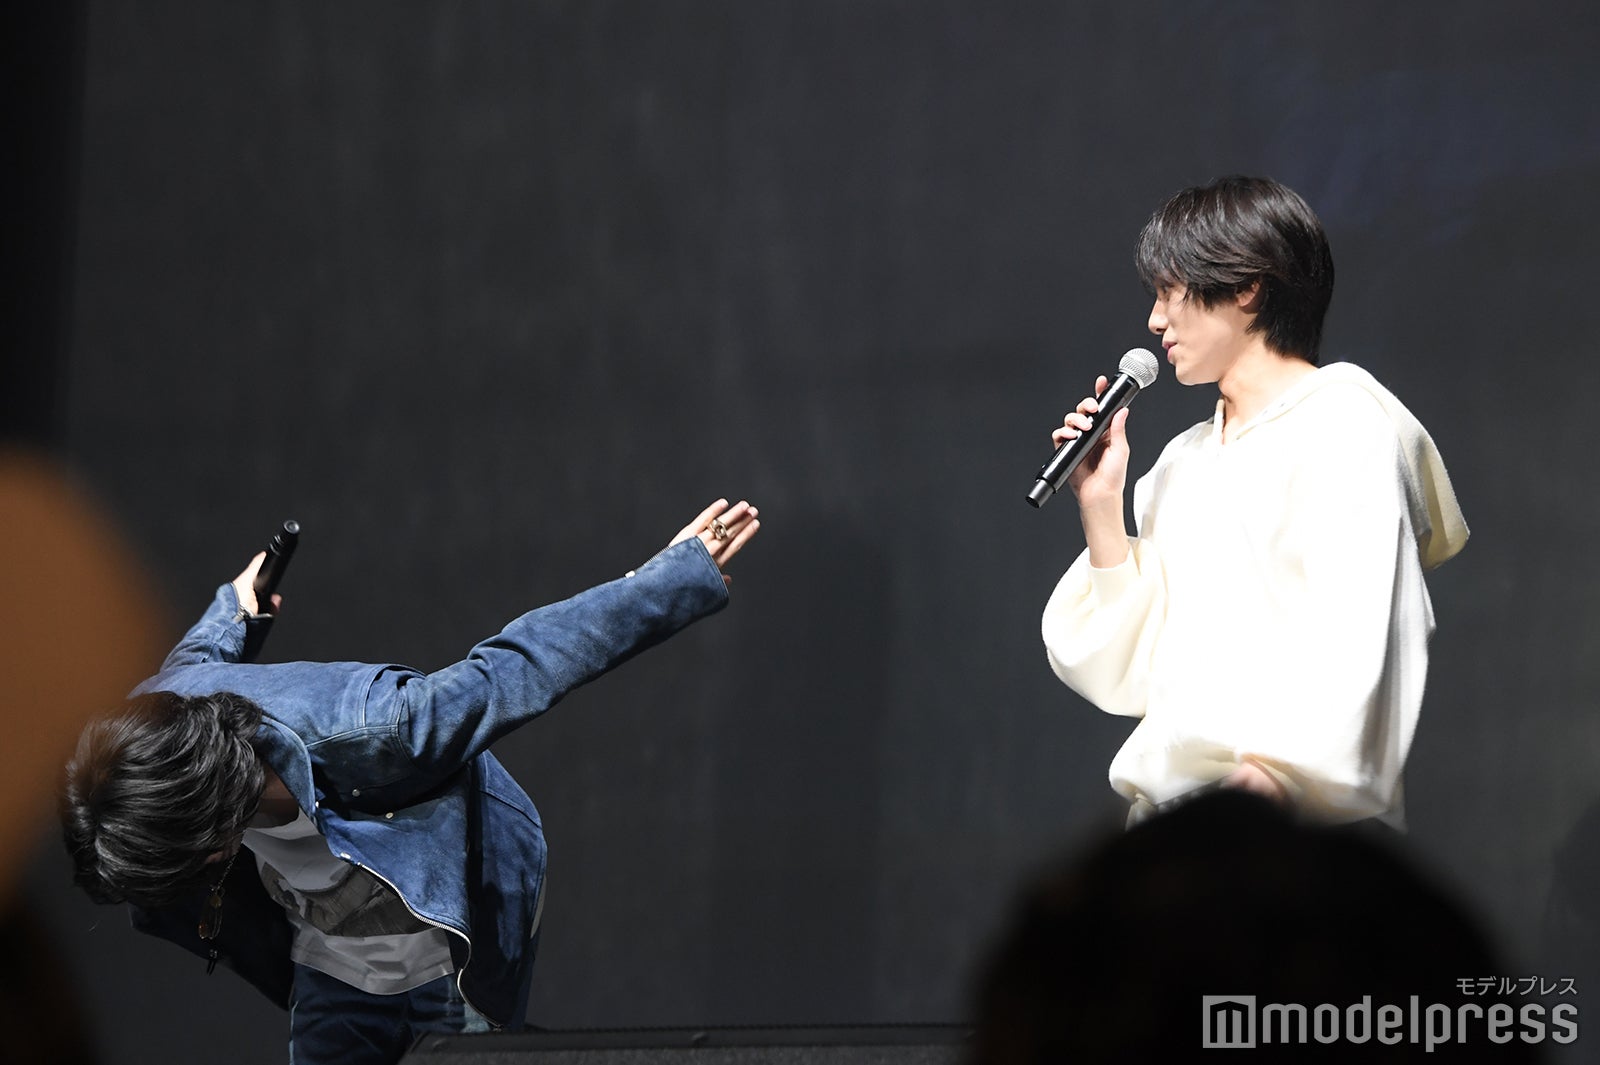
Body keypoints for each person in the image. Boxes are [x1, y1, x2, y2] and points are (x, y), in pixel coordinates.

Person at [61, 498, 760, 1064]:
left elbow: (518, 667)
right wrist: (239, 602)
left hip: (448, 941)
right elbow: (199, 653)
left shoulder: (377, 728)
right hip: (330, 964)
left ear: (210, 833)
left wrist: (664, 582)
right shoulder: (159, 718)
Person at [1041, 176, 1468, 828]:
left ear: (1246, 286)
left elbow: (1359, 630)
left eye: (1170, 290)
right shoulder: (1181, 462)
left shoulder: (1343, 422)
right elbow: (1128, 673)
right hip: (1176, 825)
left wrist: (1269, 786)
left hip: (1284, 828)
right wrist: (1102, 505)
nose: (1155, 319)